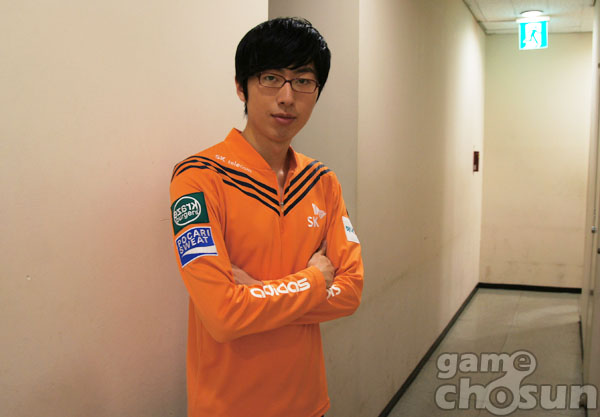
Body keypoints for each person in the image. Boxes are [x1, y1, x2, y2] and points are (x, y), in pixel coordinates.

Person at [169, 17, 364, 417]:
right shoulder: (199, 178)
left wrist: (255, 293)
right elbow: (222, 315)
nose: (287, 97)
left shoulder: (322, 182)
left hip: (308, 403)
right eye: (271, 78)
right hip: (226, 407)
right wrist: (314, 281)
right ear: (241, 86)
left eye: (303, 81)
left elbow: (351, 292)